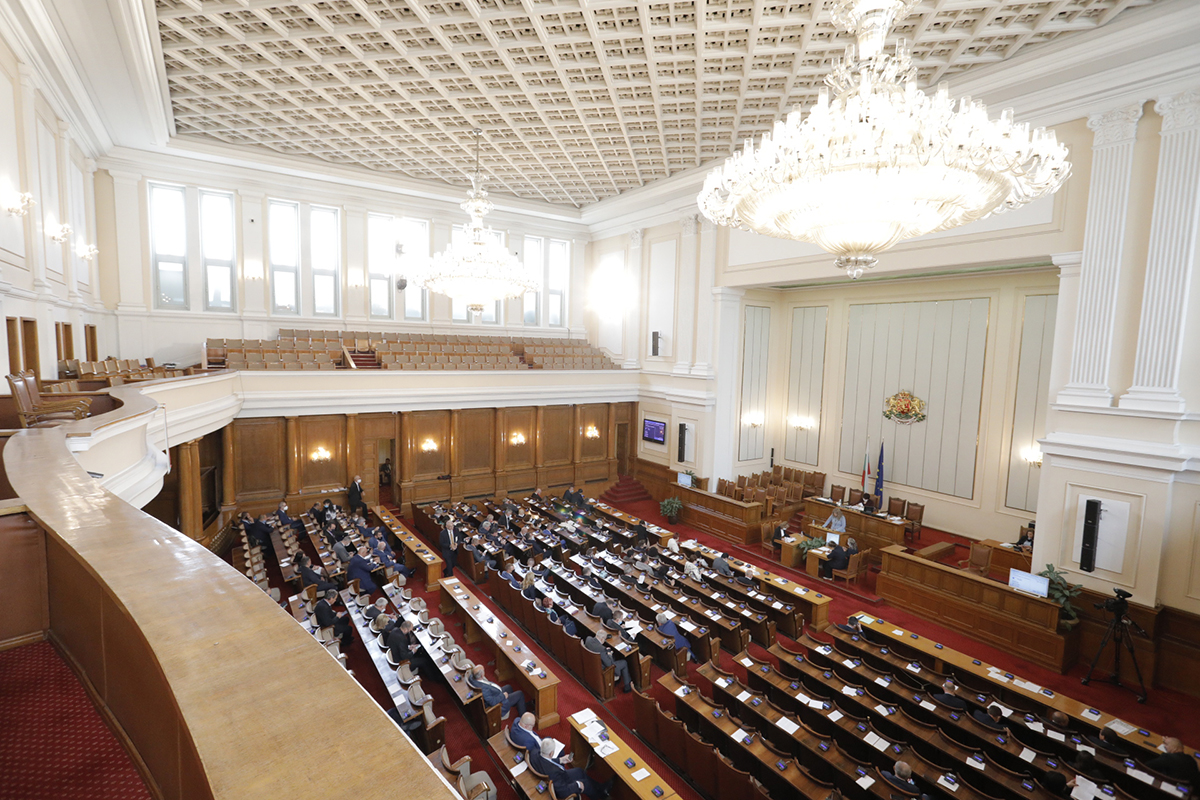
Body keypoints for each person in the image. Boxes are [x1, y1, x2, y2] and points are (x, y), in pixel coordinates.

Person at [529, 739, 613, 800]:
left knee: (579, 771)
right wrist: (578, 784)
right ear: (551, 753)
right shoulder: (554, 772)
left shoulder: (534, 753)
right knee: (585, 783)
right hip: (560, 782)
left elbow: (545, 760)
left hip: (556, 775)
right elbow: (563, 792)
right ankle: (599, 796)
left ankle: (601, 788)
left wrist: (561, 760)